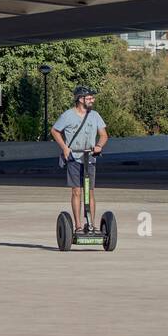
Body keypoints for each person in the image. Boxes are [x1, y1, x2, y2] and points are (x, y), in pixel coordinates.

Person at [49, 85, 108, 233]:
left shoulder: (95, 115)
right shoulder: (68, 115)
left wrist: (99, 146)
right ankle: (78, 227)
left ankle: (91, 225)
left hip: (90, 157)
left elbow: (104, 135)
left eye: (92, 98)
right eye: (89, 98)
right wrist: (64, 147)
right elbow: (55, 131)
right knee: (76, 191)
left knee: (90, 191)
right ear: (80, 99)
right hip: (74, 157)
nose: (92, 100)